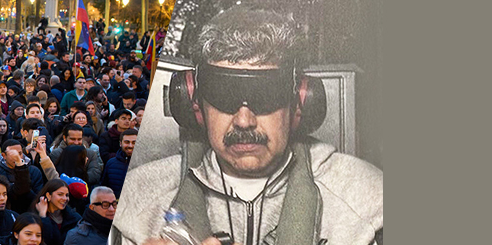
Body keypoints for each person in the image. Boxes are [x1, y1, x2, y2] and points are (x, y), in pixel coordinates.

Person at [117, 6, 382, 245]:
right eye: (223, 95)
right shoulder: (136, 203)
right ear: (194, 103)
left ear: (300, 101)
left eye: (265, 96)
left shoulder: (370, 201)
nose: (244, 121)